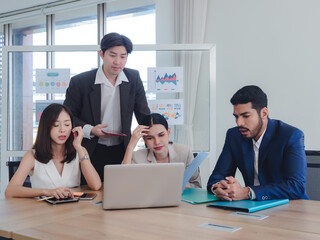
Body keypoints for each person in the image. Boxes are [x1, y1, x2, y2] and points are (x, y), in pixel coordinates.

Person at [64, 32, 150, 182]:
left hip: (122, 150)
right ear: (102, 54)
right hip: (90, 149)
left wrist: (157, 134)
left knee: (121, 192)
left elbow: (143, 115)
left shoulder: (133, 78)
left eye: (123, 56)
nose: (118, 61)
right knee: (91, 196)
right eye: (112, 55)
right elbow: (68, 117)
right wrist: (91, 129)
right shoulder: (80, 82)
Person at [207, 85, 309, 201]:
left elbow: (296, 186)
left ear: (264, 113)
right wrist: (219, 188)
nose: (239, 123)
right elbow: (217, 177)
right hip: (252, 209)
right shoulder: (234, 136)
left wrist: (247, 192)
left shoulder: (290, 135)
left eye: (246, 116)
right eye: (236, 116)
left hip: (291, 208)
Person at [5, 103, 101, 199]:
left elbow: (96, 185)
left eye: (67, 124)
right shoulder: (32, 156)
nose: (62, 130)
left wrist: (79, 147)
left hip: (72, 210)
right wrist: (46, 192)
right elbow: (10, 191)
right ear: (46, 127)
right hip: (42, 211)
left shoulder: (79, 151)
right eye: (56, 125)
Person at [122, 113, 201, 188]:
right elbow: (123, 182)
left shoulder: (184, 152)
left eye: (161, 135)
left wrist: (171, 185)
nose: (157, 142)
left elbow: (196, 186)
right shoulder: (138, 157)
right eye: (150, 138)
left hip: (181, 200)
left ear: (168, 132)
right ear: (144, 140)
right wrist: (131, 146)